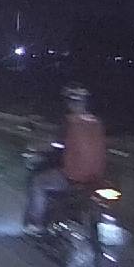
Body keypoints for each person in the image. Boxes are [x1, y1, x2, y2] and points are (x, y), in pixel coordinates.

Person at [23, 83, 107, 235]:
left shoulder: (70, 122)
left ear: (70, 102)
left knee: (38, 183)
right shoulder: (96, 122)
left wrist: (40, 149)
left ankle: (36, 224)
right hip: (95, 177)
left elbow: (58, 144)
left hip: (73, 175)